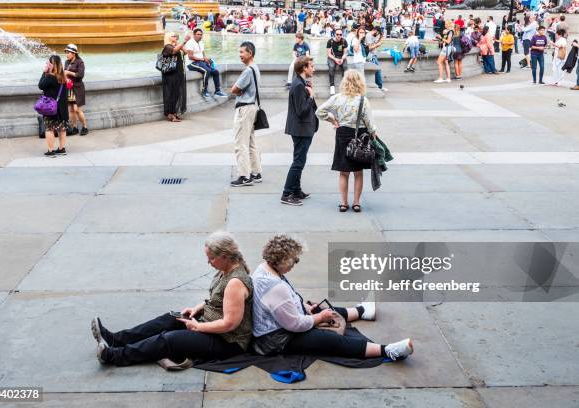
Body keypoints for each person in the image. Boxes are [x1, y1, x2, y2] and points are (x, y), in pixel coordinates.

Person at [92, 232, 253, 368]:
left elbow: (229, 323)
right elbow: (220, 300)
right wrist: (200, 307)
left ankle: (114, 356)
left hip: (228, 343)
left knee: (171, 339)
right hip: (210, 323)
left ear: (224, 256)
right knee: (169, 319)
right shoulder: (224, 269)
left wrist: (199, 326)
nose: (208, 262)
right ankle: (115, 339)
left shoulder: (235, 282)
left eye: (211, 258)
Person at [251, 234, 413, 361]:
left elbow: (284, 305)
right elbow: (295, 324)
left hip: (279, 325)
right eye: (294, 259)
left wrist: (306, 309)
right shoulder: (275, 287)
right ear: (282, 260)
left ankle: (362, 311)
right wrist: (319, 317)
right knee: (329, 340)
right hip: (276, 340)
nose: (296, 263)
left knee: (319, 309)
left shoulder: (264, 269)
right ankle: (388, 351)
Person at [316, 70, 375, 213]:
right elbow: (369, 122)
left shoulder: (337, 98)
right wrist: (373, 134)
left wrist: (333, 120)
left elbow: (319, 112)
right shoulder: (363, 100)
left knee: (343, 172)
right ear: (359, 83)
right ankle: (356, 203)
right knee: (358, 172)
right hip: (360, 135)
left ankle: (343, 203)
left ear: (345, 82)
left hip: (342, 134)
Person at [282, 57, 318, 207]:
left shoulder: (302, 83)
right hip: (301, 129)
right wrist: (311, 96)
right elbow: (301, 111)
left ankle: (296, 190)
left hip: (303, 128)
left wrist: (310, 93)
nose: (314, 69)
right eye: (312, 66)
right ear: (304, 68)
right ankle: (286, 193)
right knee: (298, 162)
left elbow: (310, 108)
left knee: (299, 160)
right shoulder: (298, 85)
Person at [230, 41, 262, 187]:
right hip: (252, 107)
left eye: (242, 52)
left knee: (240, 143)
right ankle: (256, 173)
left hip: (244, 108)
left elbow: (234, 89)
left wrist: (238, 90)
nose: (240, 55)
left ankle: (244, 176)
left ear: (250, 53)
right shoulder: (255, 68)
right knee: (251, 142)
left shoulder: (248, 70)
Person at [38, 55, 69, 157]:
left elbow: (40, 85)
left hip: (51, 108)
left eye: (48, 63)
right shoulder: (63, 77)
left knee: (49, 129)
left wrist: (44, 72)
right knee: (62, 129)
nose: (46, 64)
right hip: (62, 108)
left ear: (52, 65)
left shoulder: (50, 77)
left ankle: (51, 151)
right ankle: (61, 149)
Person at [185, 28, 227, 100]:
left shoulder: (201, 42)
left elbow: (203, 54)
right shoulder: (190, 43)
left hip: (200, 62)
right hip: (191, 63)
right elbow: (190, 57)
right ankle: (204, 91)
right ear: (194, 35)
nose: (200, 36)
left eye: (201, 34)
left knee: (215, 71)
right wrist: (202, 59)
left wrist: (207, 59)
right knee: (207, 70)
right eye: (198, 34)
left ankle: (217, 91)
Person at [161, 32, 189, 122]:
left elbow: (185, 52)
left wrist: (178, 43)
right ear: (169, 38)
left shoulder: (175, 45)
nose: (175, 37)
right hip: (171, 74)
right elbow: (174, 51)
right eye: (173, 36)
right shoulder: (167, 47)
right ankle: (170, 114)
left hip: (178, 73)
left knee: (176, 93)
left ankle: (173, 113)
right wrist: (184, 41)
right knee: (172, 94)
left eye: (175, 36)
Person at [63, 44, 87, 136]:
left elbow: (81, 75)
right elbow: (64, 73)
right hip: (69, 88)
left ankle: (85, 127)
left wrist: (69, 72)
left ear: (74, 53)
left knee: (77, 109)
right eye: (66, 52)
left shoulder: (80, 62)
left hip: (77, 88)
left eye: (68, 52)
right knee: (71, 110)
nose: (67, 54)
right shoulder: (66, 62)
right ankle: (75, 127)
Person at [326, 28, 348, 95]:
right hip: (332, 57)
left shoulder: (344, 41)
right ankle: (332, 85)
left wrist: (342, 59)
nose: (339, 36)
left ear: (342, 35)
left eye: (340, 34)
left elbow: (345, 53)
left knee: (345, 67)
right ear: (334, 34)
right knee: (332, 66)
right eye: (337, 34)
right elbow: (329, 54)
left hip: (341, 57)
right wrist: (335, 59)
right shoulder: (330, 41)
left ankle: (344, 85)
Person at [366, 26, 387, 92]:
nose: (377, 35)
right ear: (376, 31)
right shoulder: (369, 36)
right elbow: (369, 48)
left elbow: (374, 43)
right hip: (371, 56)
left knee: (377, 71)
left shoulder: (371, 36)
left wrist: (380, 38)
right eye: (378, 33)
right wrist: (378, 44)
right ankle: (379, 87)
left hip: (373, 55)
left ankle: (379, 86)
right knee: (378, 71)